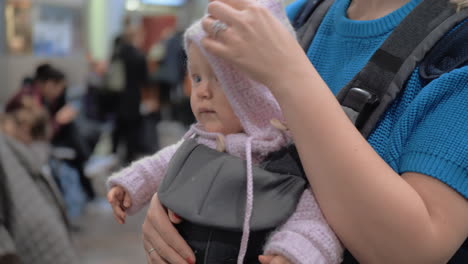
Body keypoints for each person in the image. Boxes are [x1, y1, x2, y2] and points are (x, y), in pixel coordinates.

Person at [141, 0, 468, 263]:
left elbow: (412, 251)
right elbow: (233, 133)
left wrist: (289, 76)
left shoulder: (457, 48)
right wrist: (183, 191)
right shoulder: (299, 16)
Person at [106, 1, 344, 263]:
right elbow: (164, 162)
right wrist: (132, 184)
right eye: (197, 78)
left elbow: (314, 218)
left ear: (255, 91)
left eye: (219, 79)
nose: (202, 92)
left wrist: (294, 253)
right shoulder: (200, 142)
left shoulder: (285, 156)